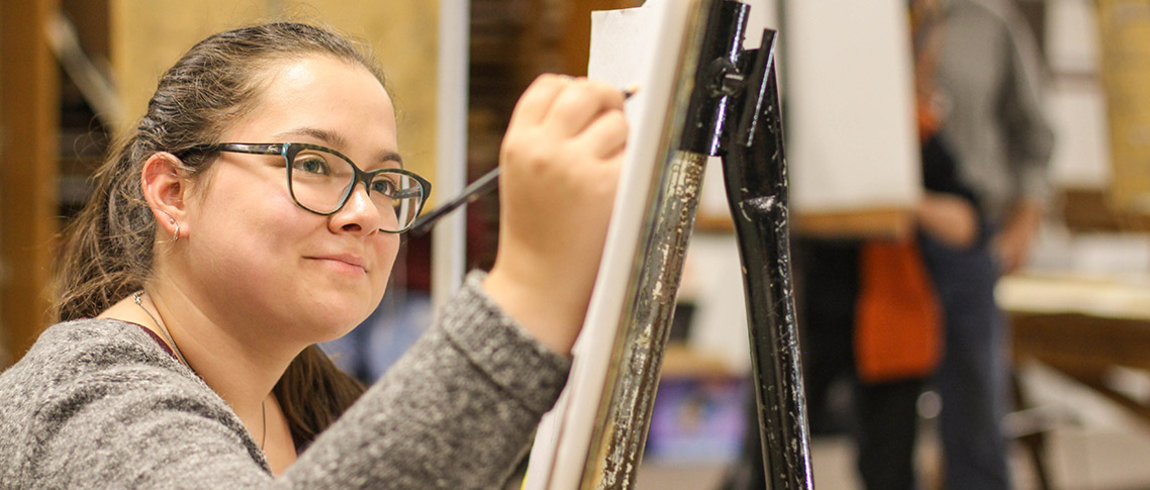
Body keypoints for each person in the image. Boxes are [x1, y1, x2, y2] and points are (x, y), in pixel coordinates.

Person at [0, 22, 627, 487]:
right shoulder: (88, 396)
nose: (362, 213)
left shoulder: (309, 402)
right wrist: (528, 291)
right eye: (314, 164)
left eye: (383, 184)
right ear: (173, 194)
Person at [928, 0, 1054, 488]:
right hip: (885, 231)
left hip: (970, 230)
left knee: (975, 404)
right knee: (881, 412)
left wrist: (1026, 219)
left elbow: (1034, 134)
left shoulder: (990, 22)